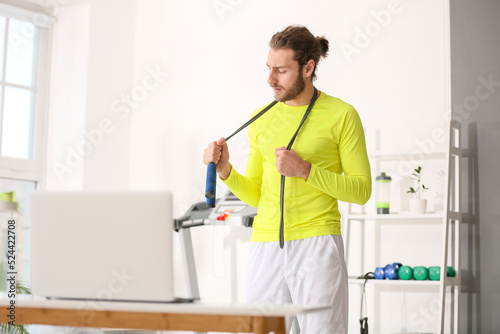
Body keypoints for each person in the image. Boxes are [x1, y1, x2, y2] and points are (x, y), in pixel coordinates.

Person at [203, 25, 371, 334]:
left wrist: (307, 171)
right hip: (265, 245)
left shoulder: (341, 114)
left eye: (281, 70)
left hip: (318, 244)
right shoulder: (261, 119)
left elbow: (361, 190)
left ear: (308, 68)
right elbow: (256, 196)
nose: (270, 79)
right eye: (269, 69)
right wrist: (226, 170)